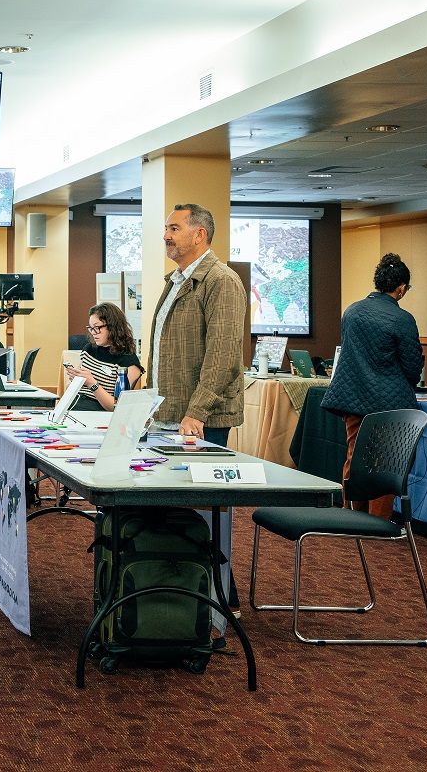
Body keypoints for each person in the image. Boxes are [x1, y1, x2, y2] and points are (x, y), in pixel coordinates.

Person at [143, 203, 247, 617]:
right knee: (180, 512)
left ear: (199, 234)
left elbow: (222, 357)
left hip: (200, 420)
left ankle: (218, 603)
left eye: (174, 228)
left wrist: (197, 412)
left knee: (205, 513)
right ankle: (190, 594)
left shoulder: (221, 281)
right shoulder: (176, 281)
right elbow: (163, 351)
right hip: (169, 413)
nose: (166, 236)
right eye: (166, 228)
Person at [321, 253, 425, 518]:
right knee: (386, 463)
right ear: (401, 288)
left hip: (353, 399)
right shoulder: (402, 319)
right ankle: (378, 523)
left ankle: (351, 515)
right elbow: (412, 368)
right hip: (389, 405)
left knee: (354, 457)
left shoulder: (352, 311)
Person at [65, 302, 142, 412]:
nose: (93, 333)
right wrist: (75, 380)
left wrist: (92, 383)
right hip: (72, 408)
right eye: (91, 328)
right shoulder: (89, 349)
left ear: (113, 327)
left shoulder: (129, 362)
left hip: (97, 414)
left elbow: (117, 407)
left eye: (97, 328)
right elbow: (69, 389)